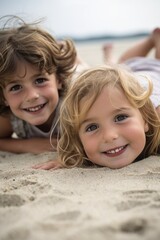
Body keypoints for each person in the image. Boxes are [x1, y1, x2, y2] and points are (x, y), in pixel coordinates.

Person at [0, 15, 77, 155]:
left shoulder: (75, 106)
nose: (32, 96)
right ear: (3, 96)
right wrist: (27, 145)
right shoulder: (10, 116)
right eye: (15, 87)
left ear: (59, 79)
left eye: (40, 80)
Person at [57, 65, 160, 169]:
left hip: (152, 70)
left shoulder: (155, 113)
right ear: (79, 141)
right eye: (92, 127)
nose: (109, 136)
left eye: (120, 118)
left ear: (145, 118)